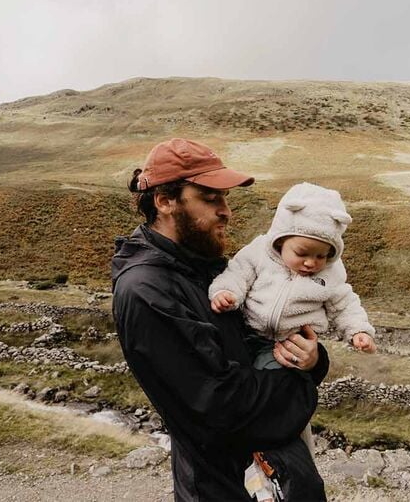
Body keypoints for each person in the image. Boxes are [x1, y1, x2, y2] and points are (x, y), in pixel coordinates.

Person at [111, 138, 330, 501]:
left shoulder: (207, 268)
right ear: (165, 201)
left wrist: (313, 358)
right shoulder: (146, 290)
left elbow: (260, 340)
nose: (226, 211)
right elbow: (218, 404)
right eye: (211, 198)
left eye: (225, 198)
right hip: (223, 489)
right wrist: (303, 386)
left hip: (276, 480)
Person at [209, 182, 376, 457]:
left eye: (321, 256)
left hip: (288, 345)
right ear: (281, 239)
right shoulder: (258, 254)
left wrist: (359, 331)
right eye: (302, 253)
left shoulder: (331, 276)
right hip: (246, 333)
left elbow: (344, 303)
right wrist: (226, 293)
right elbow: (237, 274)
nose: (311, 263)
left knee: (275, 395)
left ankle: (275, 450)